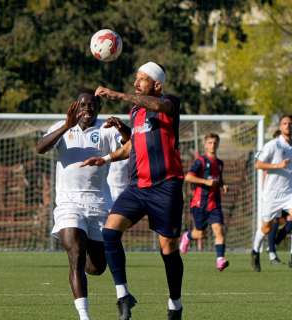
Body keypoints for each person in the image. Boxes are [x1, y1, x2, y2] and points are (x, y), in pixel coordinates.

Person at [82, 61, 185, 320]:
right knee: (110, 232)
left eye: (142, 79)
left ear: (157, 85)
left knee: (168, 249)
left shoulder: (169, 103)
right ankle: (124, 295)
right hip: (138, 187)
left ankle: (175, 303)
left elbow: (160, 106)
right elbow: (133, 147)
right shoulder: (136, 112)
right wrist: (105, 159)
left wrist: (117, 95)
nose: (136, 83)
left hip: (166, 186)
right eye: (135, 78)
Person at [36, 91, 125, 320]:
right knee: (75, 253)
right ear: (75, 106)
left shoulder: (107, 130)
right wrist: (66, 126)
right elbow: (40, 147)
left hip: (98, 205)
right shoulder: (62, 127)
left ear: (98, 106)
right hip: (69, 203)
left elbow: (130, 146)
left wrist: (124, 129)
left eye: (92, 105)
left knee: (96, 268)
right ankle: (84, 316)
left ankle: (85, 243)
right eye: (83, 105)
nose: (87, 108)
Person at [251, 115, 292, 272]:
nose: (288, 125)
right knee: (266, 228)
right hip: (273, 193)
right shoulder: (273, 145)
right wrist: (278, 165)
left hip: (291, 191)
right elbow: (257, 164)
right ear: (280, 127)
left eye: (290, 123)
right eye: (284, 123)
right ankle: (255, 251)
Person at [179, 133, 229, 271]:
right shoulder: (200, 161)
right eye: (210, 143)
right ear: (205, 145)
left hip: (215, 204)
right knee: (200, 234)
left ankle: (220, 260)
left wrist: (222, 185)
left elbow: (218, 179)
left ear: (218, 144)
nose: (212, 145)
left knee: (219, 231)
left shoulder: (220, 163)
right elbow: (188, 177)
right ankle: (187, 236)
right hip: (200, 203)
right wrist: (205, 181)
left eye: (215, 143)